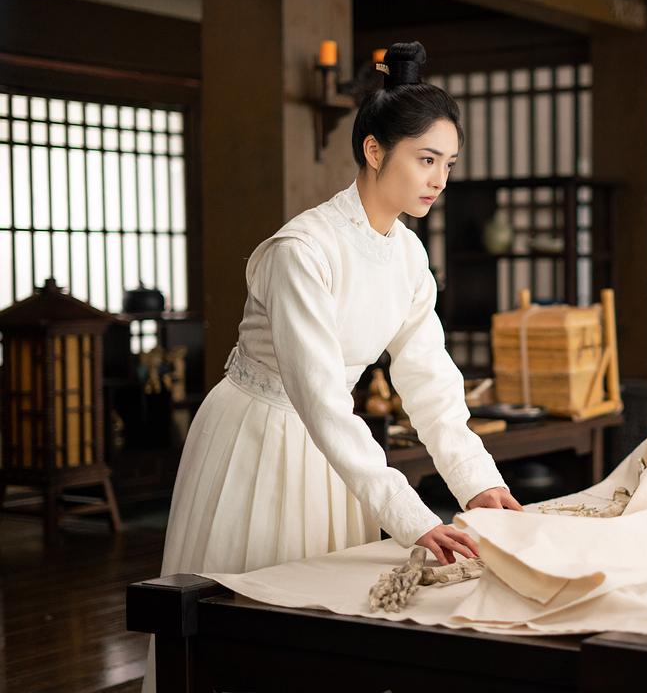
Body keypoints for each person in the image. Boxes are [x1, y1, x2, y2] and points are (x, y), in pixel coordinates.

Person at [142, 41, 522, 692]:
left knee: (325, 633)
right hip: (260, 434)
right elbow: (319, 398)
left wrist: (477, 485)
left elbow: (430, 383)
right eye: (425, 159)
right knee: (251, 626)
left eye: (448, 163)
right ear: (374, 150)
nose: (439, 179)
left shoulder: (407, 256)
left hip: (337, 451)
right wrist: (414, 520)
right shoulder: (303, 249)